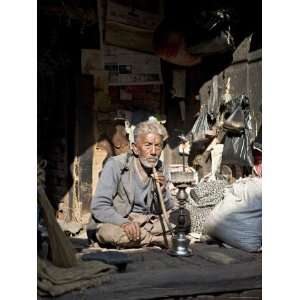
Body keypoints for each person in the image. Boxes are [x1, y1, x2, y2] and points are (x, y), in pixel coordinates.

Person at [89, 120, 175, 249]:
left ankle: (143, 238)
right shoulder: (116, 165)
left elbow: (164, 208)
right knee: (109, 233)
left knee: (182, 217)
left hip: (147, 221)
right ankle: (156, 240)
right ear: (135, 148)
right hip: (121, 221)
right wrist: (123, 223)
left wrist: (162, 191)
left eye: (158, 146)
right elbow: (99, 206)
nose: (153, 151)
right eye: (148, 145)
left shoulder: (159, 167)